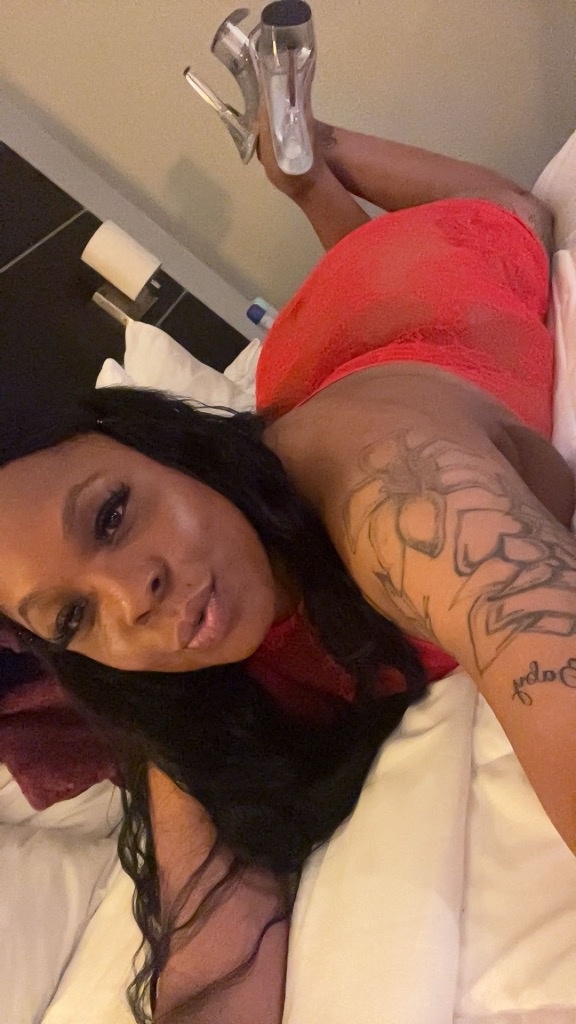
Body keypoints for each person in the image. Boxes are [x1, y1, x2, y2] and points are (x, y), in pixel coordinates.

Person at [1, 107, 574, 1024]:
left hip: (436, 283)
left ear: (168, 452)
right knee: (341, 306)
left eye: (111, 517)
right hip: (308, 365)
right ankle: (308, 180)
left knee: (517, 211)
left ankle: (312, 153)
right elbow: (209, 942)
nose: (128, 597)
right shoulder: (181, 665)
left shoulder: (393, 491)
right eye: (71, 617)